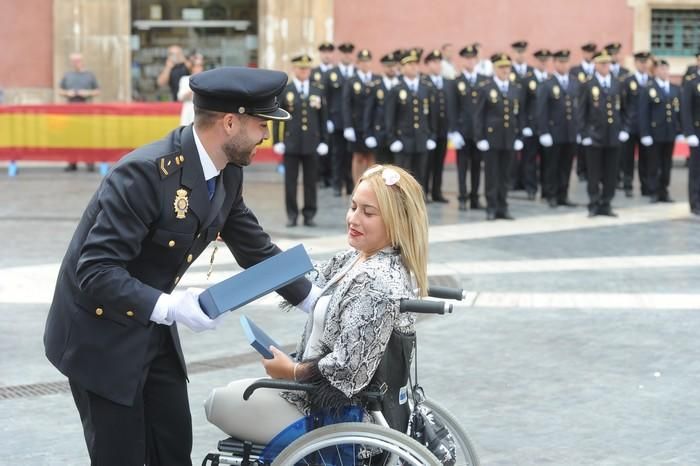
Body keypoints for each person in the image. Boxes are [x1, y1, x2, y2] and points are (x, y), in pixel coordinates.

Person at [43, 67, 316, 466]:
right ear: (229, 122)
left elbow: (255, 248)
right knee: (122, 455)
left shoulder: (227, 174)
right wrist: (172, 307)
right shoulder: (144, 174)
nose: (265, 136)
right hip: (99, 336)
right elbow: (95, 272)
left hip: (151, 328)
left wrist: (315, 299)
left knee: (172, 446)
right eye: (261, 124)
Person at [205, 164, 428, 444]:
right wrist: (244, 239)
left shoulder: (376, 281)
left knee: (216, 402)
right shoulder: (356, 258)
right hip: (311, 396)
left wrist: (291, 371)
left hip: (335, 414)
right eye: (353, 206)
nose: (353, 219)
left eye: (368, 212)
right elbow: (305, 280)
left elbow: (348, 370)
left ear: (397, 221)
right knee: (231, 392)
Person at [273, 54, 329, 227]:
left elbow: (323, 118)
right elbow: (277, 116)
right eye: (300, 68)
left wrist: (324, 141)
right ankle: (291, 214)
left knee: (311, 182)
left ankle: (309, 214)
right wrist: (277, 141)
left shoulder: (317, 90)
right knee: (290, 181)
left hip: (312, 143)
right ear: (294, 69)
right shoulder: (286, 90)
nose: (304, 71)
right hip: (291, 143)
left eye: (307, 68)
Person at [474, 53, 524, 221]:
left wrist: (519, 136)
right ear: (495, 69)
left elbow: (520, 115)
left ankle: (503, 206)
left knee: (505, 174)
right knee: (492, 174)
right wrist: (480, 137)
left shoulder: (515, 88)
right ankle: (491, 206)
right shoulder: (486, 87)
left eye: (507, 67)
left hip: (509, 138)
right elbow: (478, 115)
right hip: (491, 139)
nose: (505, 70)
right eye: (501, 67)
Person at [577, 49, 626, 217]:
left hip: (613, 136)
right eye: (602, 63)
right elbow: (581, 112)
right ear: (596, 65)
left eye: (608, 63)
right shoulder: (588, 84)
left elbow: (625, 109)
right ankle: (593, 203)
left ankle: (606, 203)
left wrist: (624, 129)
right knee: (594, 173)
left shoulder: (617, 83)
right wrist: (584, 134)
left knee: (611, 173)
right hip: (594, 136)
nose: (606, 66)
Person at [385, 48, 436, 190]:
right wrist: (392, 139)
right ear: (402, 68)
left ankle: (419, 205)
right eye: (410, 64)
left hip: (421, 139)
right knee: (402, 177)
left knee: (421, 177)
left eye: (415, 64)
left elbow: (431, 115)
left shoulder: (426, 88)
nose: (414, 67)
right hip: (403, 141)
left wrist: (432, 136)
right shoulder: (396, 89)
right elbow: (390, 118)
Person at [448, 44, 488, 211]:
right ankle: (463, 197)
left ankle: (474, 198)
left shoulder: (483, 81)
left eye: (473, 58)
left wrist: (484, 132)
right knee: (463, 167)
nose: (470, 61)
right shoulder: (457, 82)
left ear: (476, 60)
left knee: (477, 166)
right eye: (467, 58)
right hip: (462, 132)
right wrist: (453, 131)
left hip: (478, 133)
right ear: (463, 60)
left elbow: (485, 109)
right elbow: (452, 108)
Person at [537, 49, 578, 208]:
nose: (564, 65)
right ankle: (551, 194)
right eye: (560, 62)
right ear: (554, 63)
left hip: (570, 132)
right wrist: (544, 132)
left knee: (566, 165)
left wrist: (578, 130)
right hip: (554, 132)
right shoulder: (547, 84)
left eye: (566, 62)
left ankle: (563, 194)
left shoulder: (574, 82)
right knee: (551, 166)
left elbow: (577, 108)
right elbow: (541, 110)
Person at [639, 59, 680, 203]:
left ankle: (664, 190)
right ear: (655, 71)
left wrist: (679, 130)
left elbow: (677, 111)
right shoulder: (648, 88)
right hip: (654, 133)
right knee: (653, 163)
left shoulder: (674, 89)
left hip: (670, 132)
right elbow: (643, 113)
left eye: (666, 69)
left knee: (667, 164)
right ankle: (653, 191)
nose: (664, 72)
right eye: (661, 69)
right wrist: (644, 133)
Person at [343, 48, 380, 183]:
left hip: (372, 125)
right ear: (358, 63)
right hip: (356, 125)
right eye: (362, 61)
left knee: (372, 157)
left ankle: (372, 186)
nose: (366, 64)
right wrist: (348, 126)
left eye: (368, 61)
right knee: (358, 157)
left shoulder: (377, 79)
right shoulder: (351, 81)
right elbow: (346, 104)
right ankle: (357, 187)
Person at [58, 52, 100, 172]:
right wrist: (67, 93)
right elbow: (60, 90)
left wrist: (87, 93)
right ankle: (72, 163)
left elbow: (97, 91)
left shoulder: (89, 75)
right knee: (71, 137)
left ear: (82, 61)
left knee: (87, 136)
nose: (76, 63)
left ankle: (89, 162)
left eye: (78, 61)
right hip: (71, 110)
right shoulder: (67, 75)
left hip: (86, 110)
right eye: (73, 61)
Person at [325, 42, 356, 196]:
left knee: (351, 155)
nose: (347, 56)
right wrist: (327, 119)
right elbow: (326, 98)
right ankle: (337, 184)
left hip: (354, 122)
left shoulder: (356, 73)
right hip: (337, 121)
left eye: (349, 53)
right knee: (337, 154)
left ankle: (351, 185)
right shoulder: (332, 73)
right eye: (344, 53)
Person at [619, 51, 651, 197]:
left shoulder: (651, 81)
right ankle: (627, 185)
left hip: (646, 128)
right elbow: (622, 105)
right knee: (627, 158)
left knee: (646, 159)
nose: (644, 65)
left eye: (646, 62)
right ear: (636, 63)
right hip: (630, 126)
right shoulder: (627, 81)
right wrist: (623, 127)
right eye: (641, 62)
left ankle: (646, 186)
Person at [422, 49, 451, 202]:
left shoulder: (446, 83)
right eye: (434, 62)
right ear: (427, 64)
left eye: (439, 62)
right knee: (427, 163)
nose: (437, 65)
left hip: (443, 130)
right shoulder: (424, 82)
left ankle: (437, 191)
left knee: (439, 162)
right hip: (428, 131)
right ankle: (424, 192)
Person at [363, 51, 400, 165]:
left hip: (398, 134)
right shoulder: (375, 86)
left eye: (394, 65)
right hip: (380, 133)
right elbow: (368, 112)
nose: (392, 68)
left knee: (398, 169)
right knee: (381, 167)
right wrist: (368, 134)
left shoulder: (401, 85)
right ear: (383, 67)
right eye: (389, 66)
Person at [313, 42, 336, 188]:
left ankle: (332, 177)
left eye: (329, 52)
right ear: (320, 54)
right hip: (318, 117)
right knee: (318, 147)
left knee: (333, 149)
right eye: (324, 52)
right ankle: (319, 176)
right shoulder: (314, 73)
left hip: (333, 117)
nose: (326, 55)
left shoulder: (336, 72)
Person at [680, 60, 700, 215]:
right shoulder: (691, 83)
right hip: (697, 132)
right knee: (696, 170)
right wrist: (689, 133)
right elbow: (685, 110)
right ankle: (695, 202)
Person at [177, 53, 205, 126]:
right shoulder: (185, 79)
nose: (200, 68)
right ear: (192, 67)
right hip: (188, 111)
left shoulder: (206, 80)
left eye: (201, 66)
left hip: (201, 111)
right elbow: (180, 97)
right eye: (197, 66)